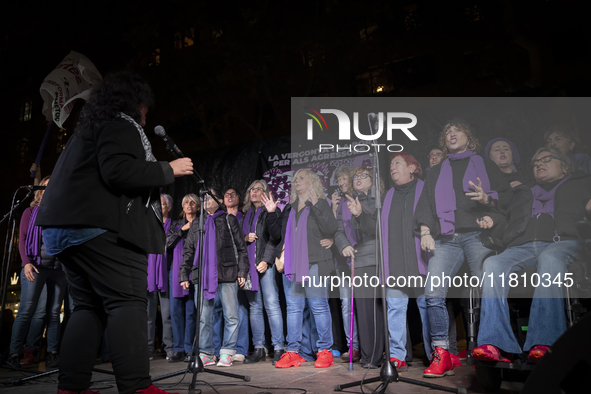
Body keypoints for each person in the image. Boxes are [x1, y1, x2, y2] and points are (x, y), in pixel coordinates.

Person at [36, 71, 193, 394]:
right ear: (134, 101)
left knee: (88, 307)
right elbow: (118, 170)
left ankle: (72, 387)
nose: (147, 116)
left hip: (64, 231)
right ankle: (137, 387)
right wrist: (168, 169)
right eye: (146, 108)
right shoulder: (120, 124)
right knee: (128, 302)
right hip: (99, 229)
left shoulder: (87, 131)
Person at [473, 147, 591, 364]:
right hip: (523, 246)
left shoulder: (581, 184)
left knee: (550, 259)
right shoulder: (524, 192)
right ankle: (495, 344)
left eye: (546, 159)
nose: (539, 163)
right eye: (536, 162)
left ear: (564, 165)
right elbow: (503, 215)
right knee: (493, 264)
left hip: (562, 242)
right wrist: (491, 218)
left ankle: (544, 342)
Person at [415, 118, 510, 378]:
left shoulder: (485, 164)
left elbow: (508, 196)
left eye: (458, 130)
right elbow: (424, 205)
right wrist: (425, 231)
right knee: (432, 293)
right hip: (446, 238)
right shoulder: (436, 171)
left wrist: (487, 200)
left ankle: (491, 346)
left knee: (488, 287)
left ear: (469, 137)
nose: (452, 134)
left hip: (477, 234)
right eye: (448, 132)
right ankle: (442, 353)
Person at [273, 168, 337, 369]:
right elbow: (281, 237)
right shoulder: (290, 208)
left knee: (318, 306)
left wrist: (316, 204)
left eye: (302, 178)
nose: (296, 181)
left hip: (316, 262)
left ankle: (324, 350)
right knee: (293, 309)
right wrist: (280, 255)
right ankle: (293, 351)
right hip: (292, 264)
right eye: (295, 178)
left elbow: (330, 228)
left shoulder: (321, 203)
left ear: (312, 183)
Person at [180, 188, 249, 367]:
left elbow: (241, 248)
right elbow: (188, 252)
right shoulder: (197, 224)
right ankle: (206, 353)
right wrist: (183, 274)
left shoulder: (229, 219)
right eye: (203, 197)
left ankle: (227, 352)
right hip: (202, 275)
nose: (204, 200)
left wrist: (242, 272)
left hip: (227, 273)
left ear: (218, 200)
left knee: (231, 315)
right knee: (204, 316)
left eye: (208, 196)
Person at [9, 176, 66, 369]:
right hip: (36, 266)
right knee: (28, 311)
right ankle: (16, 353)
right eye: (46, 186)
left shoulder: (61, 212)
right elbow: (23, 240)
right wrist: (25, 263)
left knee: (53, 311)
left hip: (58, 268)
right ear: (39, 190)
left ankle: (52, 353)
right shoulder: (30, 212)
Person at [340, 167, 385, 368]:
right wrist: (343, 244)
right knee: (365, 310)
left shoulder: (382, 200)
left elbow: (378, 228)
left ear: (373, 180)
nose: (358, 178)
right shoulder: (345, 203)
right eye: (355, 176)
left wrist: (360, 215)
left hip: (383, 258)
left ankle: (398, 354)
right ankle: (370, 356)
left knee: (388, 308)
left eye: (362, 175)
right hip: (360, 259)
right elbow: (338, 229)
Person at [241, 180, 284, 365]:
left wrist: (266, 261)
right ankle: (259, 348)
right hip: (250, 267)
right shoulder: (247, 213)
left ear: (266, 192)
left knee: (272, 305)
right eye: (251, 189)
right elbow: (239, 241)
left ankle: (279, 347)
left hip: (265, 265)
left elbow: (275, 239)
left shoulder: (271, 211)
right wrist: (244, 237)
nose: (254, 192)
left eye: (258, 189)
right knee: (254, 307)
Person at [330, 166, 360, 363]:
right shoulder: (337, 203)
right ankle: (353, 346)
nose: (341, 183)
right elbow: (332, 228)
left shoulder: (362, 197)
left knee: (366, 302)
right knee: (346, 303)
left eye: (344, 179)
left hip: (364, 256)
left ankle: (374, 344)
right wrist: (333, 207)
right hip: (343, 258)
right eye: (338, 180)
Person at [166, 194, 199, 362]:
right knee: (175, 311)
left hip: (194, 270)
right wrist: (182, 230)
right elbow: (166, 243)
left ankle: (189, 349)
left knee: (191, 311)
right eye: (186, 202)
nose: (189, 204)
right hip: (175, 271)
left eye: (192, 202)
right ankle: (177, 349)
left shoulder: (201, 224)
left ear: (198, 207)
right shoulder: (176, 224)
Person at [218, 186, 249, 363]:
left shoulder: (244, 217)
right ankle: (220, 349)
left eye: (233, 194)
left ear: (239, 197)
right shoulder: (218, 219)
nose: (229, 196)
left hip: (241, 267)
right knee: (222, 311)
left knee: (241, 310)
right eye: (226, 194)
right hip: (224, 270)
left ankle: (241, 348)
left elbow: (242, 242)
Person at [146, 194, 173, 360]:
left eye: (162, 204)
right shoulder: (147, 226)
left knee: (167, 315)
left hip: (166, 274)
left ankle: (169, 347)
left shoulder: (174, 225)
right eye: (157, 205)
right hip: (149, 274)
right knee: (148, 316)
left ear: (168, 207)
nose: (159, 207)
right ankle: (148, 349)